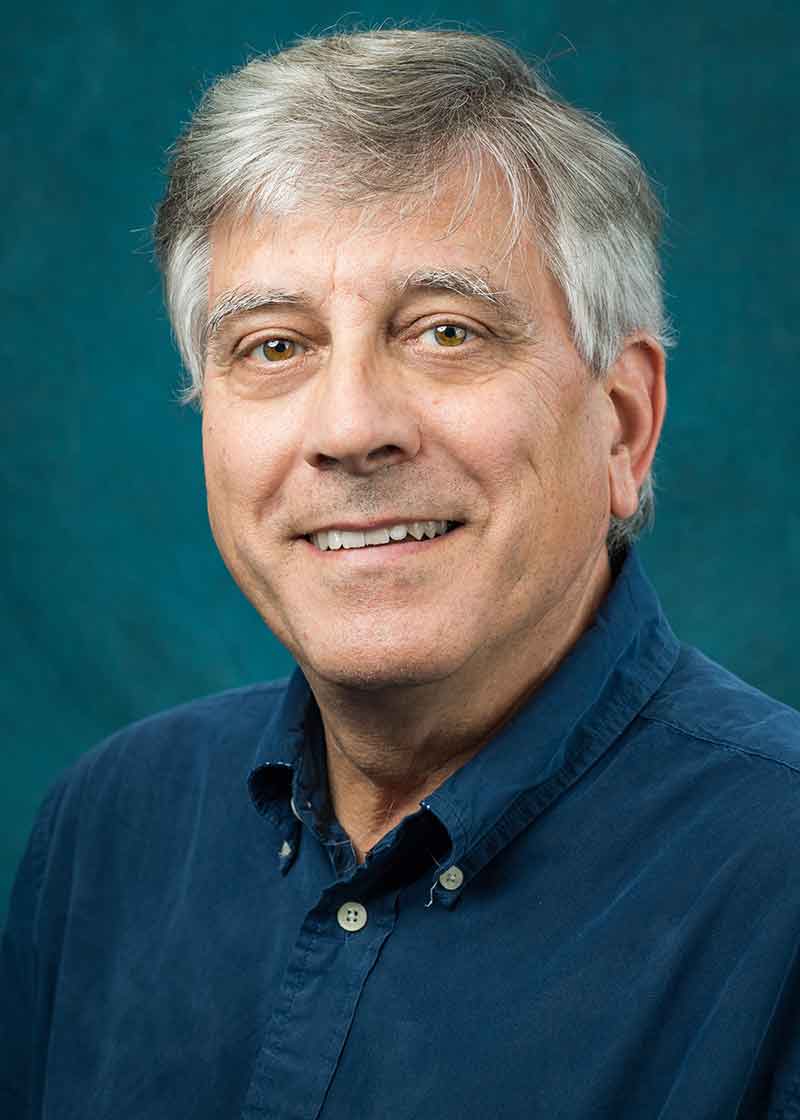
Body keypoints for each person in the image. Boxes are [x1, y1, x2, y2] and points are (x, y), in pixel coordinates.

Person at [2, 27, 799, 1120]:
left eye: (444, 332)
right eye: (274, 345)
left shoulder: (778, 880)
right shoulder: (106, 831)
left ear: (622, 425)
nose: (348, 429)